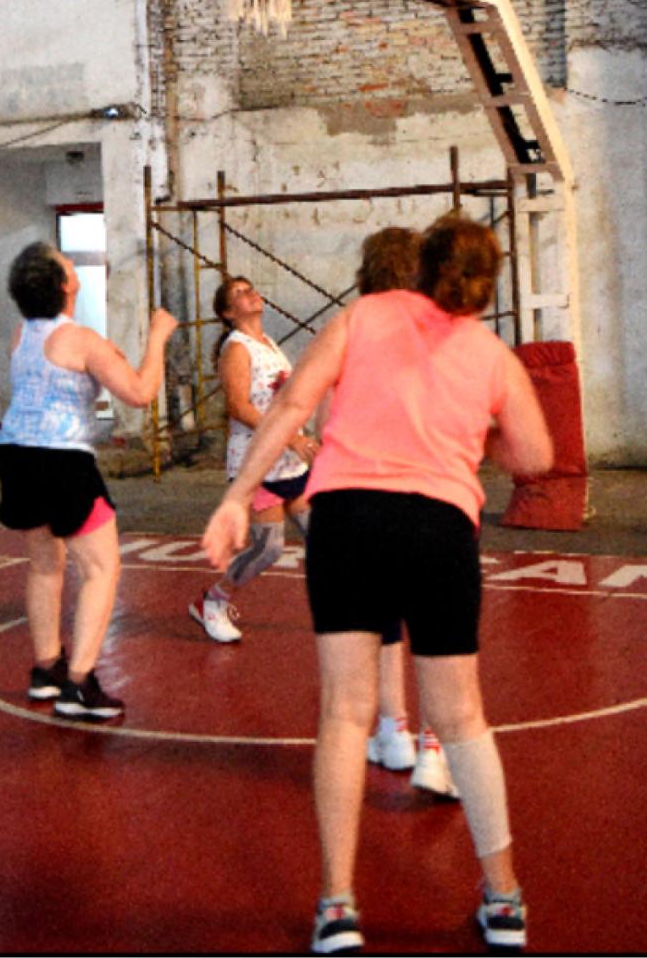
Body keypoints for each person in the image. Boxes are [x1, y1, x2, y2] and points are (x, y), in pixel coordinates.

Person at [202, 212, 552, 954]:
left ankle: (337, 908)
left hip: (349, 520)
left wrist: (236, 498)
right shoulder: (491, 352)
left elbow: (294, 406)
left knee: (345, 715)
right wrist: (479, 432)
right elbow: (536, 455)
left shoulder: (364, 315)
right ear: (486, 286)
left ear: (421, 266)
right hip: (439, 527)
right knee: (460, 719)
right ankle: (506, 899)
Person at [0, 241, 177, 721]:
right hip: (61, 462)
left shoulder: (20, 335)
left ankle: (46, 671)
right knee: (100, 569)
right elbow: (140, 393)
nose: (73, 265)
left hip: (14, 453)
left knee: (44, 565)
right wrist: (157, 337)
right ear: (64, 285)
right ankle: (78, 684)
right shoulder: (80, 340)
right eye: (68, 264)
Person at [353, 227, 458, 799]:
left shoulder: (351, 329)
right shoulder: (443, 330)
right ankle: (433, 752)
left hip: (368, 498)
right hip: (434, 495)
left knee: (386, 623)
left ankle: (392, 731)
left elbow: (320, 417)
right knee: (440, 635)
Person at [189, 274, 317, 642]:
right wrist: (289, 437)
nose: (252, 293)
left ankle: (344, 608)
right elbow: (239, 406)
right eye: (241, 293)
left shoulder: (270, 344)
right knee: (268, 546)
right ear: (229, 312)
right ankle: (213, 600)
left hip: (289, 459)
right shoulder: (237, 348)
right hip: (258, 460)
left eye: (252, 287)